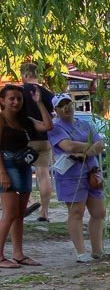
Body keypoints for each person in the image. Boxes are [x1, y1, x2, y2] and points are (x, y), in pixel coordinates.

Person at [47, 94, 105, 262]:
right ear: (56, 110)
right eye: (61, 105)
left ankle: (97, 250)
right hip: (71, 175)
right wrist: (90, 146)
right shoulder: (55, 128)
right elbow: (68, 146)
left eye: (68, 103)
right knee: (76, 211)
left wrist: (85, 152)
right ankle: (81, 252)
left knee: (99, 212)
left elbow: (101, 144)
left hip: (92, 171)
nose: (67, 108)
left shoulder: (85, 124)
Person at [0, 84, 52, 268]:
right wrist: (2, 174)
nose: (16, 102)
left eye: (19, 99)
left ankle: (18, 254)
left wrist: (39, 103)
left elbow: (47, 126)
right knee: (10, 213)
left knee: (19, 214)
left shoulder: (24, 121)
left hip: (23, 165)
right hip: (6, 165)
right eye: (11, 98)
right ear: (2, 101)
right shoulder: (1, 120)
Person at [19, 61, 56, 221]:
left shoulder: (20, 92)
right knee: (43, 174)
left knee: (19, 172)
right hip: (44, 139)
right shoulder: (48, 93)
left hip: (25, 140)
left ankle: (29, 201)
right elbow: (53, 116)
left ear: (25, 74)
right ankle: (44, 212)